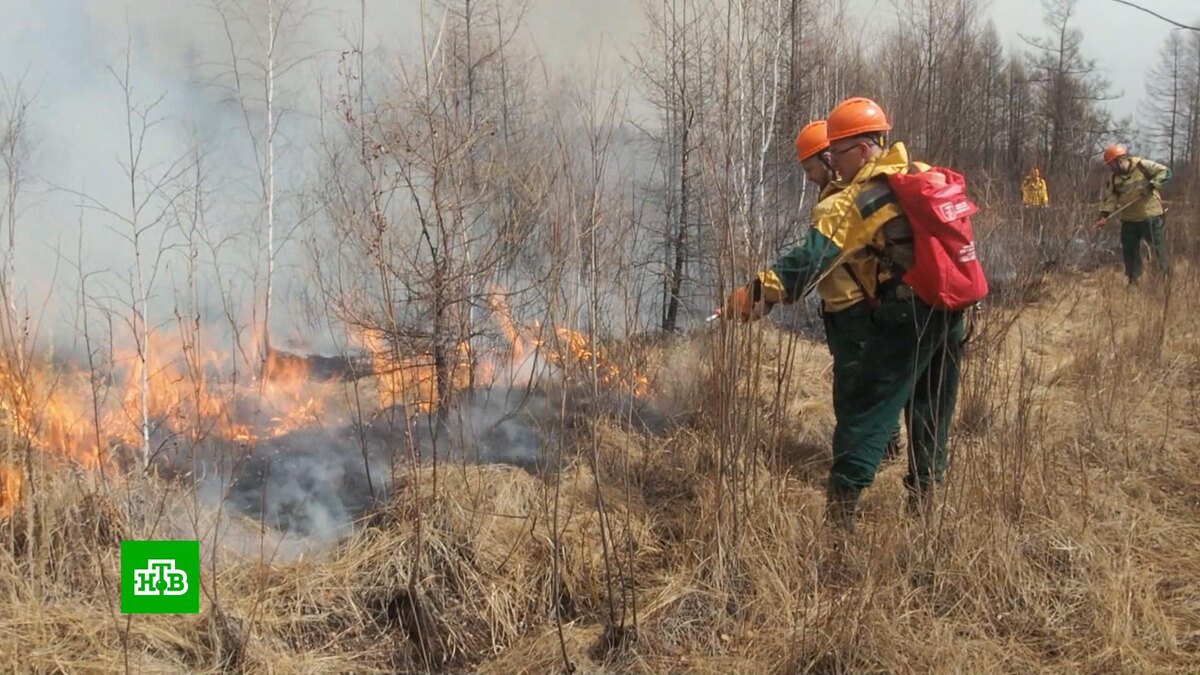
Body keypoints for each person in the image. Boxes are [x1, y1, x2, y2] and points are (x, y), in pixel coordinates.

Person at [723, 97, 965, 530]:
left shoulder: (860, 198)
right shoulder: (920, 172)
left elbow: (812, 258)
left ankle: (839, 524)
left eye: (837, 151)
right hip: (949, 309)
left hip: (906, 316)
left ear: (864, 148)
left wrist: (756, 292)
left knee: (864, 414)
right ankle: (925, 514)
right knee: (930, 410)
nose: (833, 161)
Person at [794, 119, 903, 460]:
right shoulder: (833, 195)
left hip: (856, 310)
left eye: (810, 168)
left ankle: (859, 464)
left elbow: (815, 258)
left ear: (828, 159)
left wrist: (765, 291)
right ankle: (881, 453)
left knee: (857, 393)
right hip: (844, 312)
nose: (808, 177)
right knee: (863, 387)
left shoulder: (845, 201)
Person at [1095, 144, 1173, 284]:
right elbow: (1111, 198)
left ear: (1120, 160)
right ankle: (1133, 280)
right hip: (1129, 220)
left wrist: (1151, 185)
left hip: (1150, 216)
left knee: (1156, 249)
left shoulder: (1142, 166)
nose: (1110, 168)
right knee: (1130, 252)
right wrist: (1104, 216)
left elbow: (1166, 172)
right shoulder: (1114, 179)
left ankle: (1163, 279)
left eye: (1111, 164)